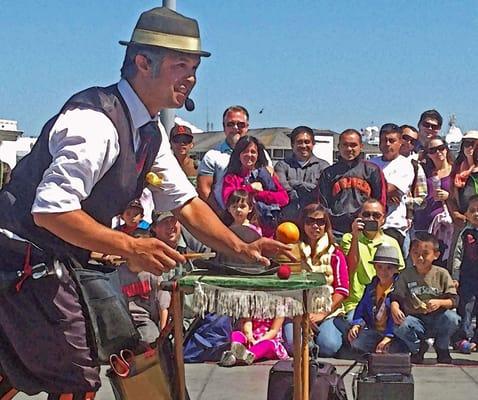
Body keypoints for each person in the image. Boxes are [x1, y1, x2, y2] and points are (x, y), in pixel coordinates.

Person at [0, 7, 292, 399]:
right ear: (142, 62)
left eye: (194, 68)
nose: (191, 78)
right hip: (22, 261)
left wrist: (241, 247)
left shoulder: (149, 131)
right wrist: (130, 246)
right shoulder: (95, 124)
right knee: (74, 378)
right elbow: (51, 211)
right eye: (180, 65)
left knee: (125, 351)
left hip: (62, 262)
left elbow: (186, 203)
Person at [391, 232, 460, 364]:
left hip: (437, 318)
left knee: (452, 319)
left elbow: (454, 300)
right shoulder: (406, 274)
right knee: (400, 325)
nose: (420, 258)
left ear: (436, 255)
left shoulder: (442, 274)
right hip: (416, 318)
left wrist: (439, 302)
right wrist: (395, 307)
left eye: (425, 254)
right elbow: (396, 296)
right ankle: (417, 348)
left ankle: (442, 347)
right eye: (416, 253)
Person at [298, 204, 350, 357]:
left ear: (326, 225)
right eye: (310, 221)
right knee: (295, 346)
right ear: (303, 224)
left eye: (320, 222)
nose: (315, 226)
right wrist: (303, 316)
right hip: (299, 311)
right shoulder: (293, 251)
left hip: (328, 311)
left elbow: (342, 290)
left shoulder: (336, 253)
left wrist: (322, 314)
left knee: (329, 347)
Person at [341, 199, 405, 319]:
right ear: (359, 216)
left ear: (383, 219)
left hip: (383, 303)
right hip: (355, 304)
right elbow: (349, 268)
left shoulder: (392, 242)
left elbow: (398, 275)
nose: (371, 219)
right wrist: (355, 236)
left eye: (376, 215)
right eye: (366, 215)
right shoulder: (349, 238)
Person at [318, 129, 386, 237]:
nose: (349, 149)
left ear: (361, 146)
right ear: (338, 146)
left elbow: (380, 202)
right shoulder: (328, 173)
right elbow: (323, 204)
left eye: (353, 145)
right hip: (336, 230)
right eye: (345, 145)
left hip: (365, 229)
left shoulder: (372, 170)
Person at [222, 135, 289, 237]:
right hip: (239, 233)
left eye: (253, 152)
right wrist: (250, 189)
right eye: (245, 151)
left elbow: (284, 199)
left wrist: (259, 194)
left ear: (258, 155)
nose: (249, 155)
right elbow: (228, 198)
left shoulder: (267, 175)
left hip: (268, 233)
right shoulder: (231, 178)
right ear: (238, 155)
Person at [348, 245, 406, 355]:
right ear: (374, 267)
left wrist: (389, 336)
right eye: (379, 267)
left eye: (389, 268)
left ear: (396, 269)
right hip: (375, 330)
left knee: (393, 348)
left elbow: (396, 319)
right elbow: (361, 308)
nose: (383, 271)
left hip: (395, 333)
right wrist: (357, 324)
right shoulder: (371, 288)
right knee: (356, 341)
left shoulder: (399, 288)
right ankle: (378, 349)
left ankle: (393, 347)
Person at [118, 229, 171, 345]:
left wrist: (162, 337)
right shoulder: (118, 274)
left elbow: (164, 307)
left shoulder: (154, 274)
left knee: (149, 341)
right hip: (123, 322)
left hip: (145, 321)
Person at [197, 105, 250, 213]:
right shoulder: (212, 156)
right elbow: (204, 190)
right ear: (224, 127)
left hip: (253, 222)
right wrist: (221, 215)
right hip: (221, 220)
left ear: (247, 126)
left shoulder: (260, 154)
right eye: (230, 124)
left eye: (240, 124)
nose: (235, 128)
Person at [370, 123, 415, 249]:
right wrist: (383, 193)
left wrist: (376, 190)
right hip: (370, 225)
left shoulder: (405, 165)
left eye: (392, 140)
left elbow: (390, 189)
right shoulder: (370, 164)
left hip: (393, 227)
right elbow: (364, 190)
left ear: (400, 142)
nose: (387, 144)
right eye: (384, 140)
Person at [274, 126, 329, 221]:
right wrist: (309, 189)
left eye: (307, 142)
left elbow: (320, 192)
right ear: (292, 145)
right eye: (299, 142)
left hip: (314, 224)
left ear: (313, 144)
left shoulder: (324, 167)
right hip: (288, 222)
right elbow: (283, 191)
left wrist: (293, 183)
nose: (303, 146)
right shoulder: (281, 166)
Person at [414, 137, 454, 265]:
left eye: (441, 148)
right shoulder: (424, 173)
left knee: (447, 263)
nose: (438, 152)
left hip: (448, 228)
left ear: (446, 149)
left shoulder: (456, 172)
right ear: (428, 154)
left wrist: (449, 196)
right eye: (432, 150)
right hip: (426, 226)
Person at [450, 195, 478, 353]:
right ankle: (463, 338)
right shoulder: (464, 233)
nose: (476, 214)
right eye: (472, 211)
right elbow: (457, 256)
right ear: (465, 214)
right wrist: (455, 277)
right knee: (466, 306)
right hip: (468, 277)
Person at [218, 317, 288, 367]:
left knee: (268, 344)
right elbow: (247, 323)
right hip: (251, 339)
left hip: (267, 339)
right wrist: (250, 337)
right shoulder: (253, 303)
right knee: (237, 334)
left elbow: (274, 330)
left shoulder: (279, 308)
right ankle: (239, 355)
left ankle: (238, 357)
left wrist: (258, 341)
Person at [450, 132, 478, 225]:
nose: (470, 147)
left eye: (474, 144)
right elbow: (451, 197)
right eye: (467, 144)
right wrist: (456, 213)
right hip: (464, 222)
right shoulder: (456, 170)